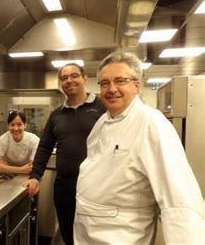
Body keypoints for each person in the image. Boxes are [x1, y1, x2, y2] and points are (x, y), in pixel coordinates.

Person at [74, 51, 204, 243]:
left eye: (120, 81)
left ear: (136, 86)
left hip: (122, 235)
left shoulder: (151, 123)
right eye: (105, 83)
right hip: (90, 231)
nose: (111, 89)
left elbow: (178, 198)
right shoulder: (102, 122)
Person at [22, 63, 105, 245]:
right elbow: (44, 147)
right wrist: (35, 176)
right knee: (68, 234)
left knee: (93, 236)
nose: (69, 81)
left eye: (74, 76)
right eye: (64, 78)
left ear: (85, 79)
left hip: (96, 185)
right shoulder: (56, 115)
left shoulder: (102, 107)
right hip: (64, 186)